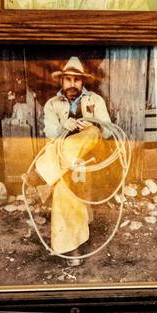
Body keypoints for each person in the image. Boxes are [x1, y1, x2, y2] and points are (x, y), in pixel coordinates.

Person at [36, 56, 112, 260]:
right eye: (67, 79)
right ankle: (71, 247)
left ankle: (45, 170)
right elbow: (51, 133)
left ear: (82, 81)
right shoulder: (52, 104)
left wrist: (93, 123)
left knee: (92, 133)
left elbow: (107, 132)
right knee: (63, 188)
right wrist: (64, 127)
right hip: (68, 160)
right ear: (61, 81)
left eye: (76, 79)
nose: (72, 83)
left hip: (90, 154)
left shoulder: (95, 100)